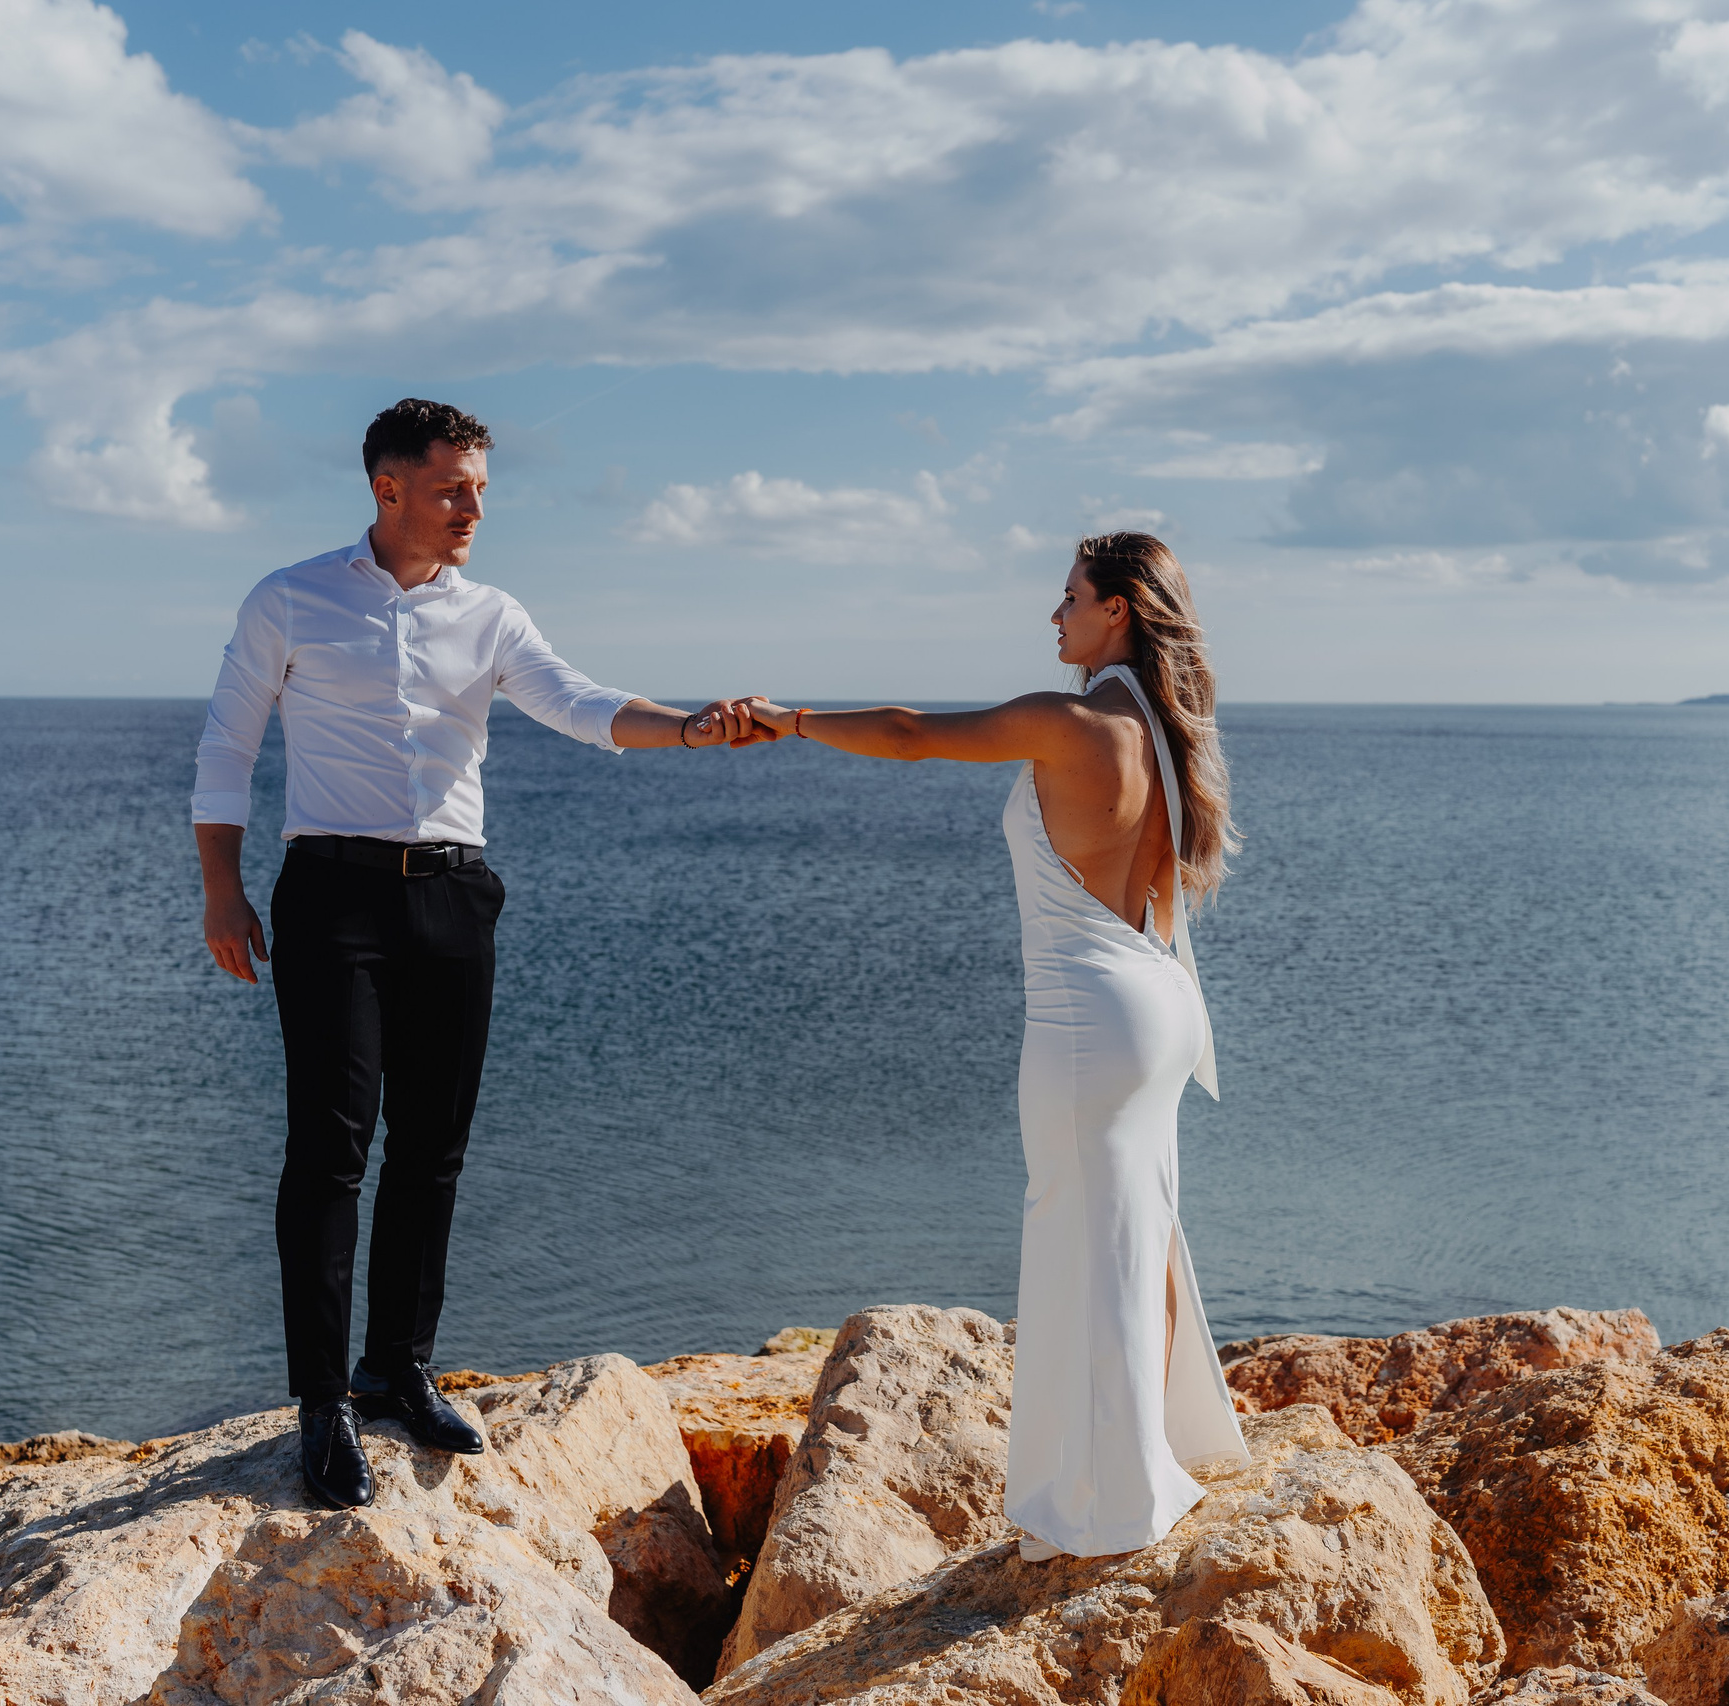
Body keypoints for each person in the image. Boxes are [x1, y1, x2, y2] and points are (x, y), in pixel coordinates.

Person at [191, 398, 765, 1510]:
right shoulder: (289, 597)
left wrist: (689, 725)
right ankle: (321, 1401)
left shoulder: (493, 614)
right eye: (453, 488)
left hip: (455, 896)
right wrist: (222, 887)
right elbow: (227, 744)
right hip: (332, 897)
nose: (473, 509)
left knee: (432, 1149)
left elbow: (578, 701)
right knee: (329, 1150)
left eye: (482, 490)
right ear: (387, 487)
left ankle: (397, 1368)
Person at [735, 531, 1248, 1559]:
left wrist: (789, 718)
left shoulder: (1071, 719)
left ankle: (1109, 1503)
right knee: (1138, 1233)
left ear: (1117, 610)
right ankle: (1153, 1452)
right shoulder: (1166, 727)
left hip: (1090, 1018)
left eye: (1070, 598)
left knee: (1080, 1242)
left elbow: (911, 732)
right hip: (1160, 1001)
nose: (1054, 616)